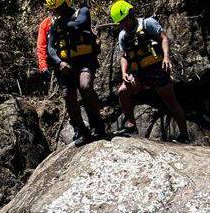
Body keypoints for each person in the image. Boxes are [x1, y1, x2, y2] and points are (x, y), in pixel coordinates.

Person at [110, 1, 190, 143]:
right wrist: (124, 73)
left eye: (124, 20)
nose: (123, 24)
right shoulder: (123, 35)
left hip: (156, 69)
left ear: (131, 14)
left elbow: (164, 38)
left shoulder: (148, 23)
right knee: (122, 91)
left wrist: (166, 57)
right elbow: (124, 56)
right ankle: (131, 125)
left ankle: (184, 135)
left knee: (171, 102)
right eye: (120, 23)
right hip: (139, 74)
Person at [46, 0, 105, 147]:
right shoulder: (55, 25)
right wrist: (59, 62)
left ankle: (97, 123)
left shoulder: (82, 12)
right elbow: (51, 48)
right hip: (66, 65)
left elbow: (79, 25)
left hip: (85, 60)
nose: (55, 11)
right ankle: (80, 129)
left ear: (65, 4)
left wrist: (62, 23)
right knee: (68, 95)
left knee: (85, 87)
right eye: (53, 8)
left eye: (57, 7)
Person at [36, 15, 54, 82]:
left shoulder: (73, 17)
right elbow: (41, 46)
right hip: (55, 62)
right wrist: (43, 67)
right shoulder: (46, 24)